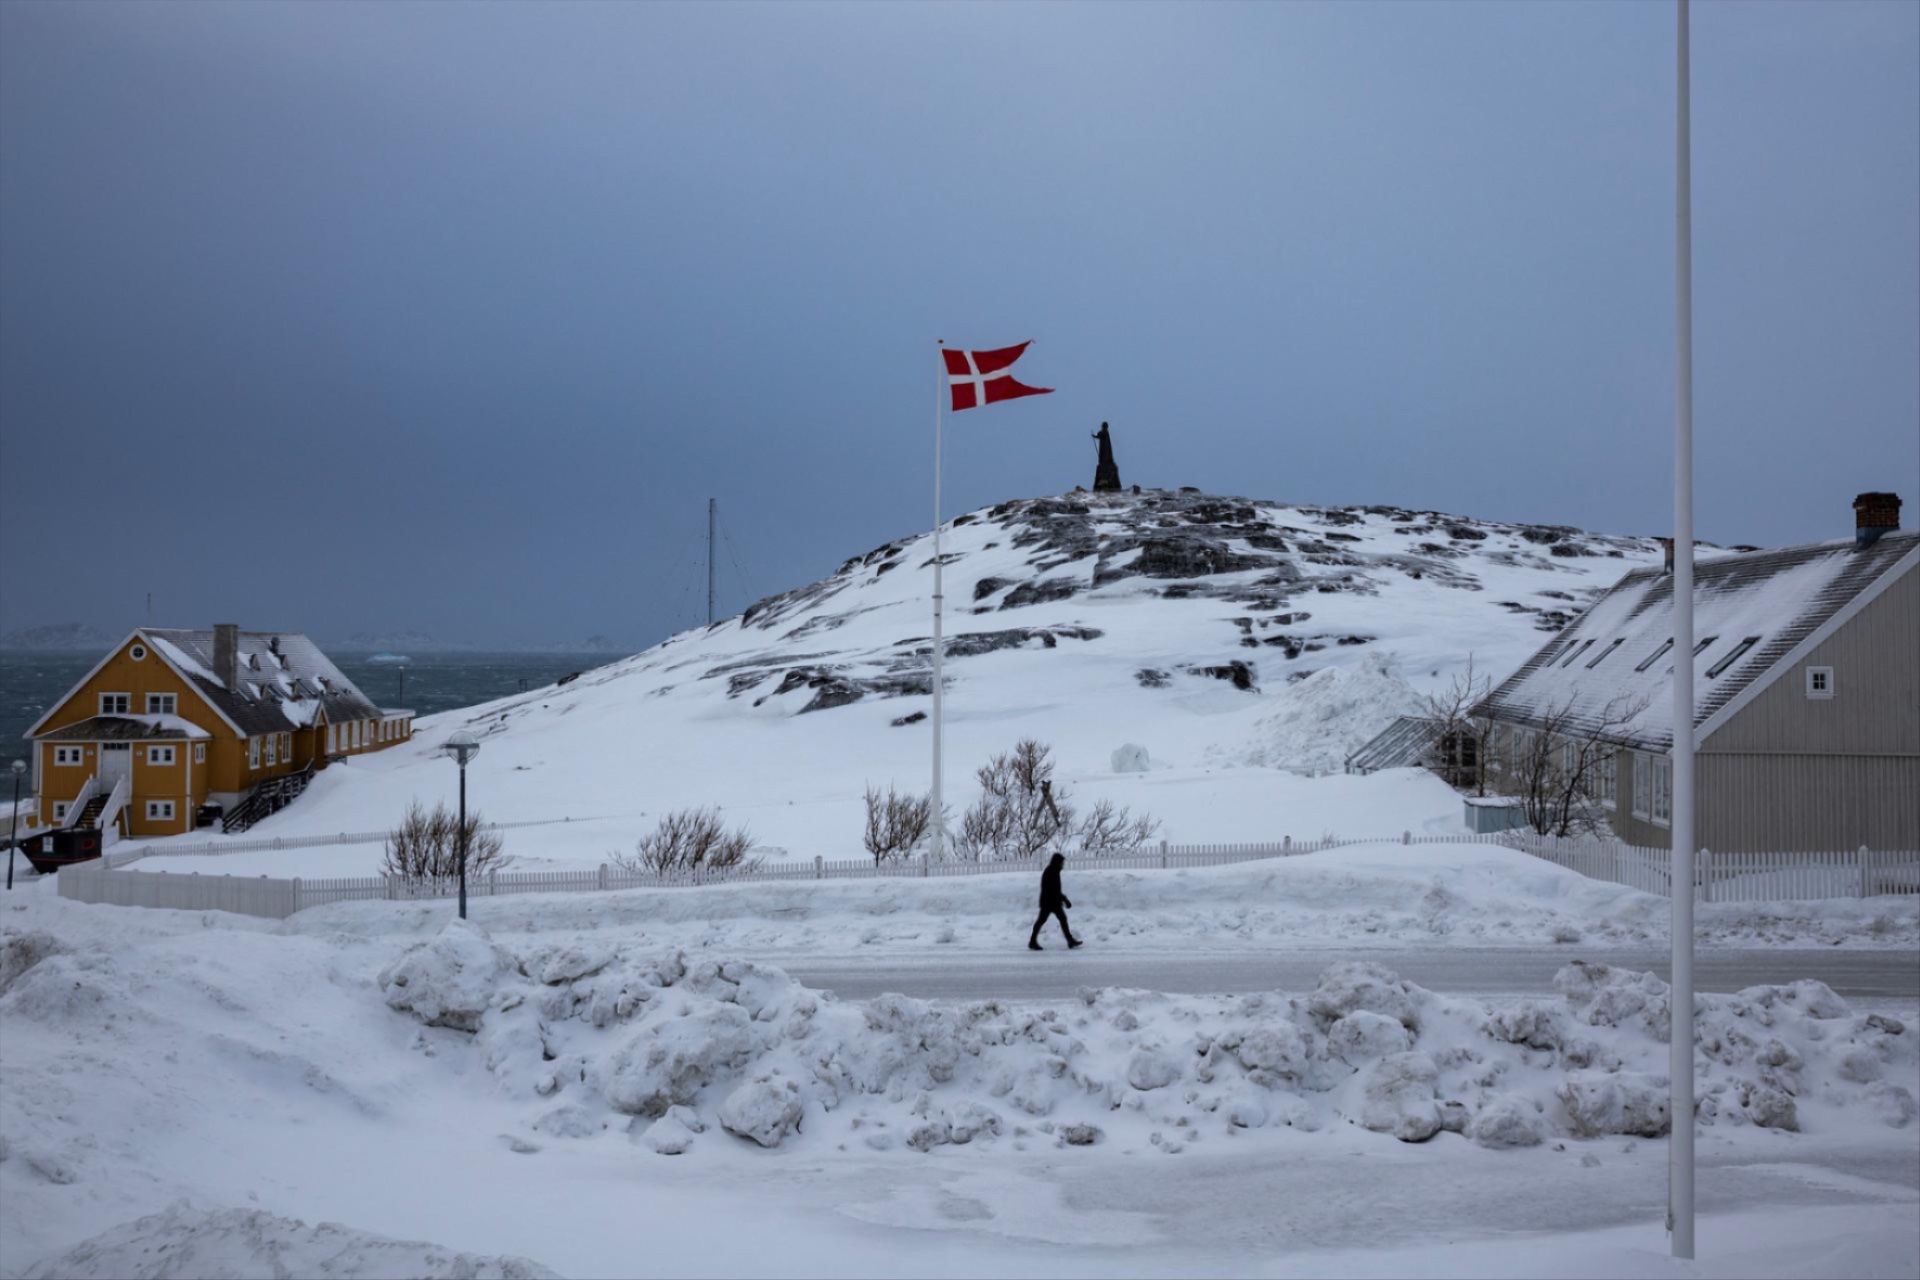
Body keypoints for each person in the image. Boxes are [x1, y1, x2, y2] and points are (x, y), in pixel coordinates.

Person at [1029, 851, 1082, 950]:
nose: (1063, 864)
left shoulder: (1054, 870)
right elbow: (1054, 889)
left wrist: (1062, 899)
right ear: (1057, 862)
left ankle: (1070, 941)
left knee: (1059, 919)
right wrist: (1065, 900)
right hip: (1049, 902)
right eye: (1061, 862)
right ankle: (1032, 941)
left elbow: (1055, 889)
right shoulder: (1051, 872)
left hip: (1051, 901)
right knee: (1043, 921)